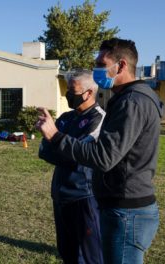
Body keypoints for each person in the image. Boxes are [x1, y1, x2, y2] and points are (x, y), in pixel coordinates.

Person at [36, 38, 165, 264]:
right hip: (122, 206)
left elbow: (103, 158)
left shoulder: (132, 102)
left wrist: (55, 137)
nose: (96, 68)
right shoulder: (130, 99)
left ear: (122, 65)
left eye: (101, 63)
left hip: (126, 210)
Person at [39, 70, 105, 264]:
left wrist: (58, 144)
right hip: (60, 194)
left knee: (89, 256)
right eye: (68, 89)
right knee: (66, 252)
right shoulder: (66, 117)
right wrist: (62, 148)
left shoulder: (99, 119)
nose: (68, 94)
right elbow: (44, 150)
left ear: (89, 92)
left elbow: (79, 155)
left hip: (84, 196)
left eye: (72, 90)